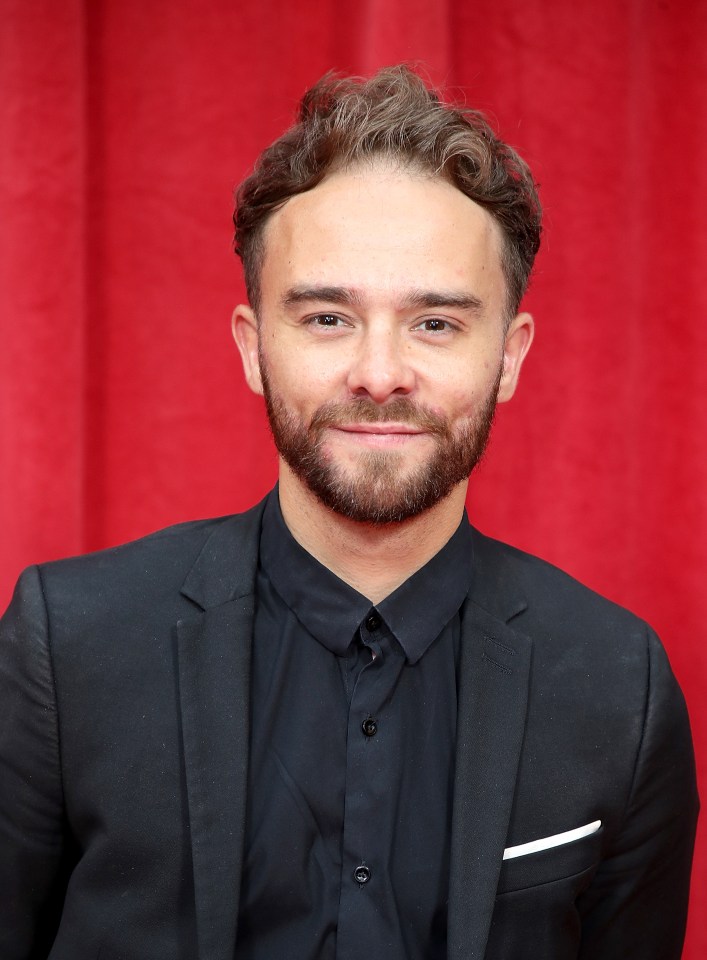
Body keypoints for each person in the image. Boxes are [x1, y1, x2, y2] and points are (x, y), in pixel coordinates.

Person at [0, 66, 698, 960]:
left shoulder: (619, 685)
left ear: (510, 357)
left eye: (435, 323)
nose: (379, 372)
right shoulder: (67, 648)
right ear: (254, 347)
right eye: (327, 318)